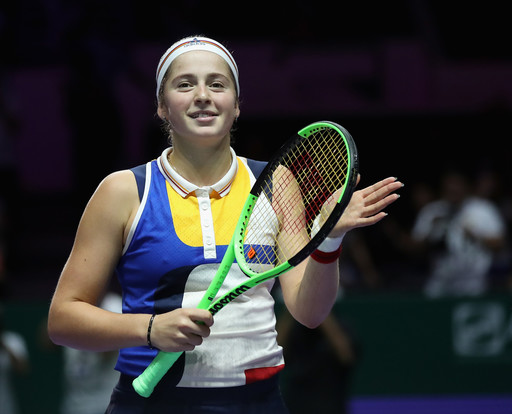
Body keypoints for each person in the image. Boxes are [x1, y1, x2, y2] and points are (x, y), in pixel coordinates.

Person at [48, 35, 403, 413]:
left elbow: (309, 313)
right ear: (162, 106)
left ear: (236, 106)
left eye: (217, 84)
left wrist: (329, 239)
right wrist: (149, 329)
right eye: (185, 84)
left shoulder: (276, 183)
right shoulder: (124, 191)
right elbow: (63, 319)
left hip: (258, 403)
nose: (203, 95)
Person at [411, 168, 506, 297]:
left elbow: (499, 244)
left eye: (457, 187)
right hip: (440, 279)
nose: (453, 191)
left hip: (473, 281)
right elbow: (413, 248)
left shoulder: (482, 209)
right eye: (449, 188)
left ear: (466, 187)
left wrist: (476, 235)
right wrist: (431, 232)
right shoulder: (433, 211)